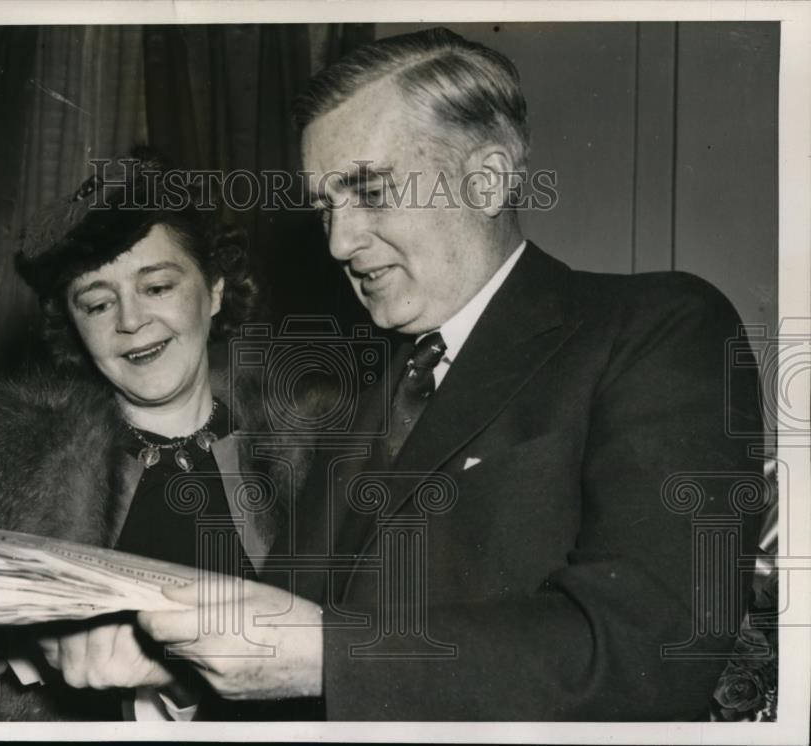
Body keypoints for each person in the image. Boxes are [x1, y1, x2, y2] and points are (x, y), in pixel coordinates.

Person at [132, 28, 770, 720]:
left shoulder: (659, 328)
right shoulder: (362, 399)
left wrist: (324, 654)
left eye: (370, 190)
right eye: (325, 207)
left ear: (489, 180)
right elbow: (293, 648)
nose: (340, 241)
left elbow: (648, 651)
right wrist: (175, 673)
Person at [0, 148, 328, 721]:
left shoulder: (322, 456)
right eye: (97, 303)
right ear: (71, 325)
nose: (130, 320)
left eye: (158, 286)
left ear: (215, 289)